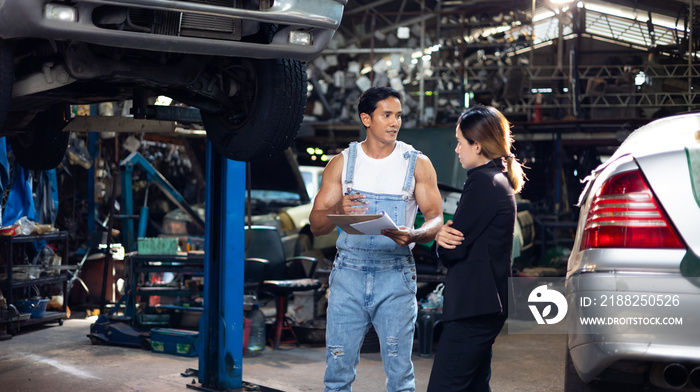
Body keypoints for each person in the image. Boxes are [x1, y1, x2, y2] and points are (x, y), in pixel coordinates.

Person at [310, 86, 444, 392]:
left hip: (395, 275)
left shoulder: (416, 163)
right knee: (338, 371)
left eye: (398, 115)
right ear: (366, 119)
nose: (395, 122)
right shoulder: (342, 164)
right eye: (387, 115)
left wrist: (416, 234)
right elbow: (316, 227)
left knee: (400, 375)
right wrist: (337, 208)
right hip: (348, 275)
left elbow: (436, 219)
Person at [427, 105, 526, 392]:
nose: (457, 150)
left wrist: (439, 238)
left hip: (473, 308)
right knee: (474, 386)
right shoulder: (499, 180)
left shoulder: (482, 183)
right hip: (488, 306)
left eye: (460, 142)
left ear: (478, 146)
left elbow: (453, 250)